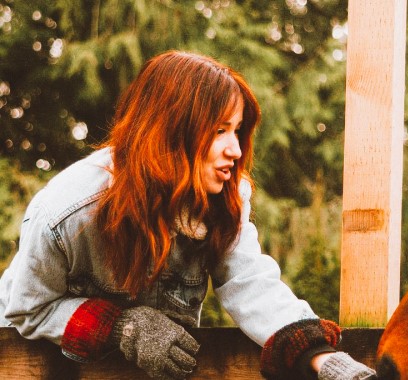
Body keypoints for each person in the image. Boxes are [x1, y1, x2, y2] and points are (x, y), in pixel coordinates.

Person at [0, 51, 376, 380]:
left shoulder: (225, 198)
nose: (235, 148)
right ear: (170, 132)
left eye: (238, 130)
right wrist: (122, 327)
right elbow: (29, 310)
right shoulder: (66, 213)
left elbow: (250, 283)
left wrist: (321, 358)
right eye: (219, 130)